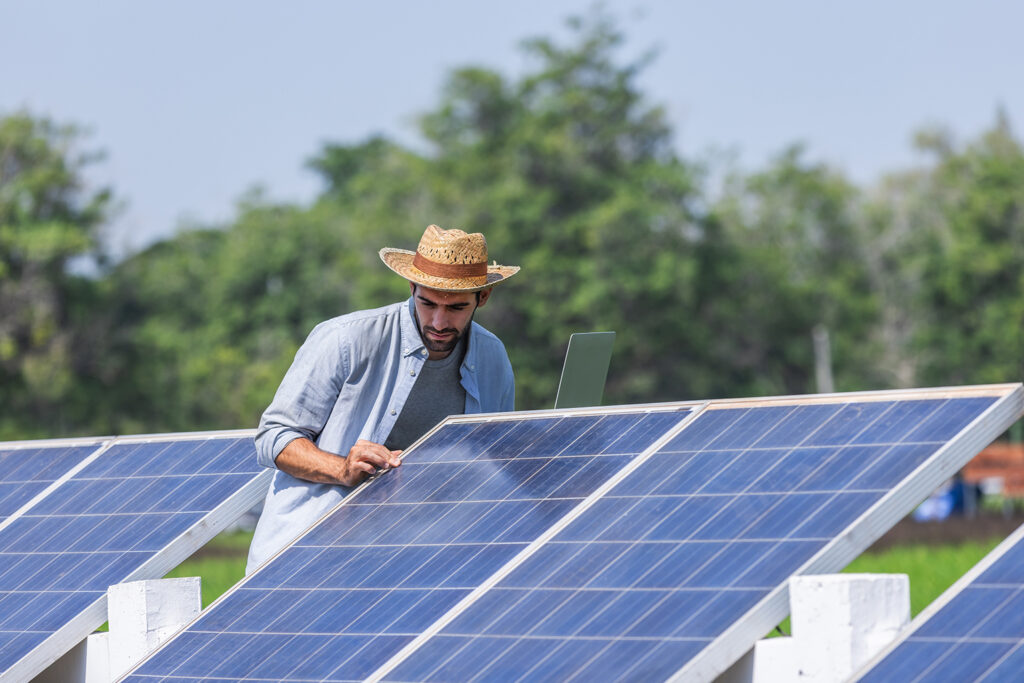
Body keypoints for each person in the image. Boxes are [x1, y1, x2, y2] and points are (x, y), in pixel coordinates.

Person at [246, 225, 519, 572]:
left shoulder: (494, 359)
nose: (438, 321)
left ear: (483, 298)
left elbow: (496, 461)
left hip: (419, 558)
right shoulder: (344, 340)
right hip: (311, 554)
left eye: (456, 308)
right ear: (411, 287)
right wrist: (342, 469)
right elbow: (273, 438)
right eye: (428, 303)